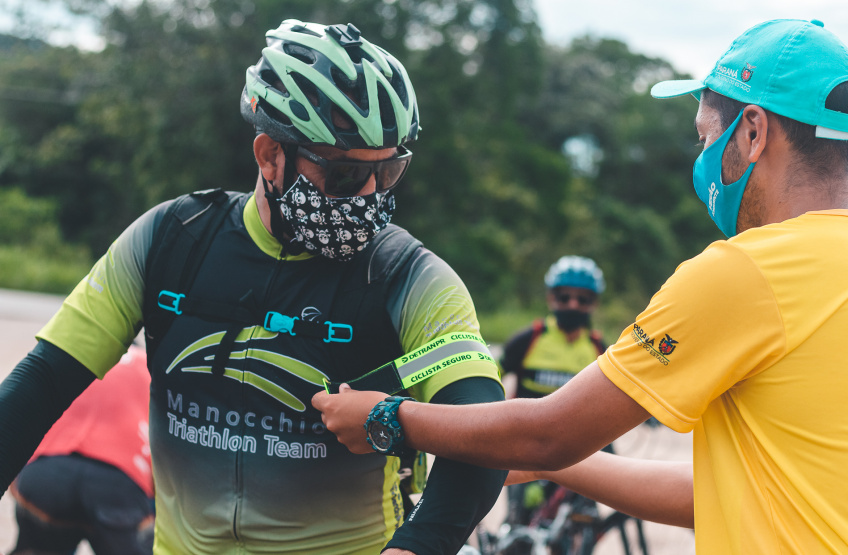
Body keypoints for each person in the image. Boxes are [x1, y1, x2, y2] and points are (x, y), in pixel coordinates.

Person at [314, 19, 848, 553]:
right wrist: (565, 469)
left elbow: (549, 431)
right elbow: (724, 495)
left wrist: (388, 416)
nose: (703, 153)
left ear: (753, 132)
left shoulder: (752, 269)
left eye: (707, 133)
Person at [0, 20, 506, 555]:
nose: (368, 196)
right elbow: (40, 386)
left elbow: (483, 433)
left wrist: (417, 546)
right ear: (269, 155)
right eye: (341, 176)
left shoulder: (411, 278)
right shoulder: (169, 241)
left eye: (388, 172)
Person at [9, 344, 154, 555]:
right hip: (118, 483)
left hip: (46, 473)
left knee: (38, 547)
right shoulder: (148, 367)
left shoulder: (77, 356)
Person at [499, 255, 607, 526]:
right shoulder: (528, 340)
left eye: (582, 300)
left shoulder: (599, 349)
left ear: (593, 303)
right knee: (520, 526)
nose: (573, 304)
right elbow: (489, 376)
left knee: (582, 522)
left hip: (580, 449)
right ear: (551, 299)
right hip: (525, 447)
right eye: (564, 297)